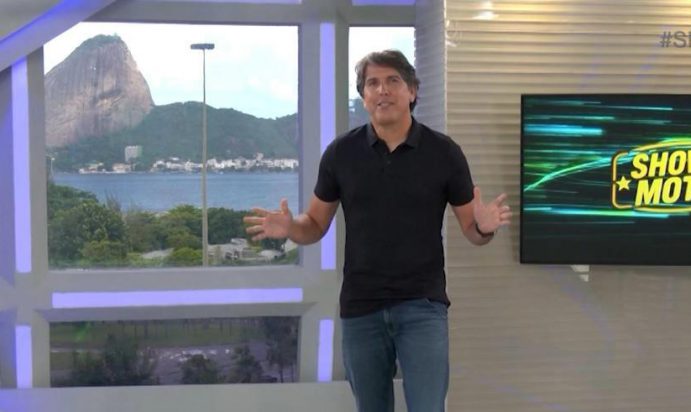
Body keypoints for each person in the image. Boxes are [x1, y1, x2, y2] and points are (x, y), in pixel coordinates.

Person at [243, 49, 511, 412]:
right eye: (373, 83)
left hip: (422, 306)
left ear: (412, 91)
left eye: (393, 81)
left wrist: (484, 227)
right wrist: (291, 227)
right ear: (364, 96)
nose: (382, 90)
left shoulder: (444, 153)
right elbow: (315, 225)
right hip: (361, 308)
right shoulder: (341, 153)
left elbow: (471, 230)